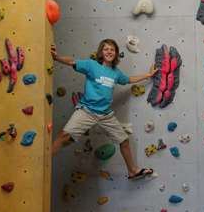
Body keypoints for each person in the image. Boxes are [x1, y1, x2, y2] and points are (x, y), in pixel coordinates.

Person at [50, 39, 159, 180]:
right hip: (87, 110)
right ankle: (44, 163)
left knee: (124, 140)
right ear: (101, 52)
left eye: (112, 50)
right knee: (64, 135)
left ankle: (132, 170)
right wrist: (57, 58)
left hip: (105, 114)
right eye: (106, 49)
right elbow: (72, 61)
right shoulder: (92, 65)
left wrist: (148, 75)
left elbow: (129, 80)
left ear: (116, 54)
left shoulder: (116, 73)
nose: (109, 52)